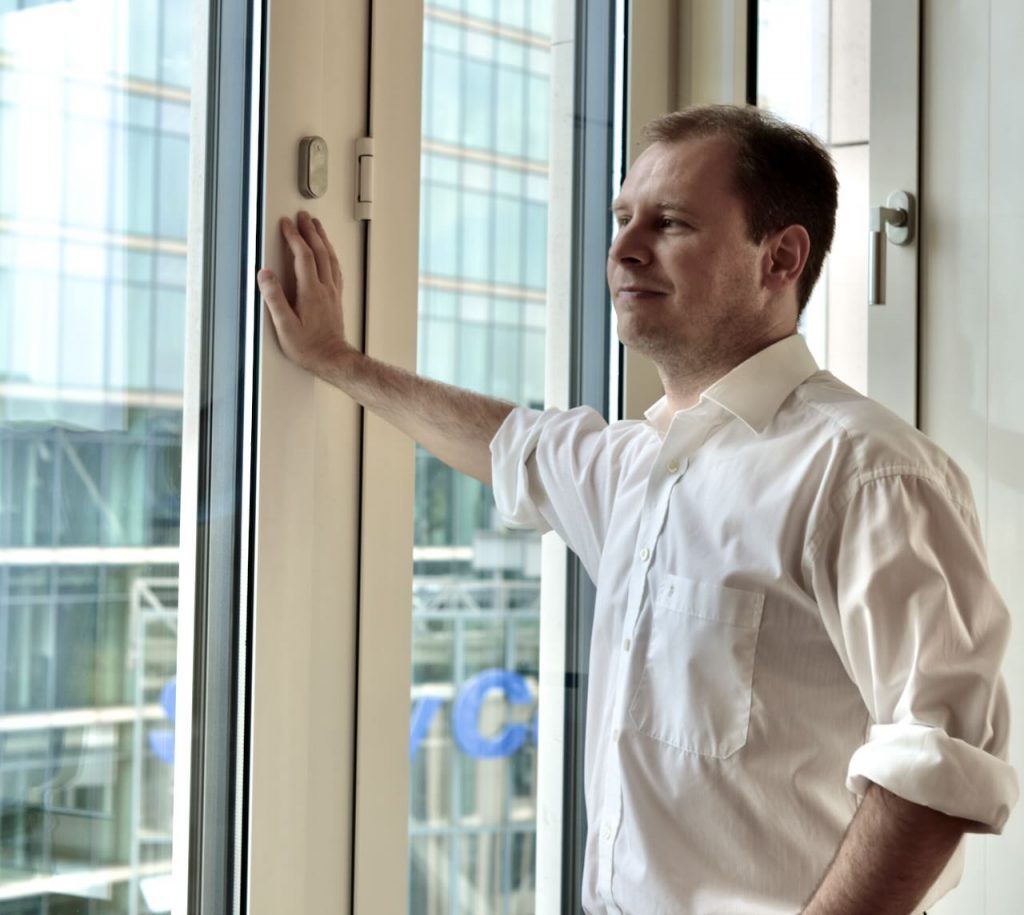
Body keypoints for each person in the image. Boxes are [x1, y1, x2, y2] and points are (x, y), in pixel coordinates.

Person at [257, 104, 1018, 914]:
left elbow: (936, 764)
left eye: (672, 223)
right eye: (622, 218)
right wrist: (337, 362)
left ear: (781, 256)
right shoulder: (636, 468)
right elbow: (506, 443)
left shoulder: (866, 472)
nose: (623, 248)